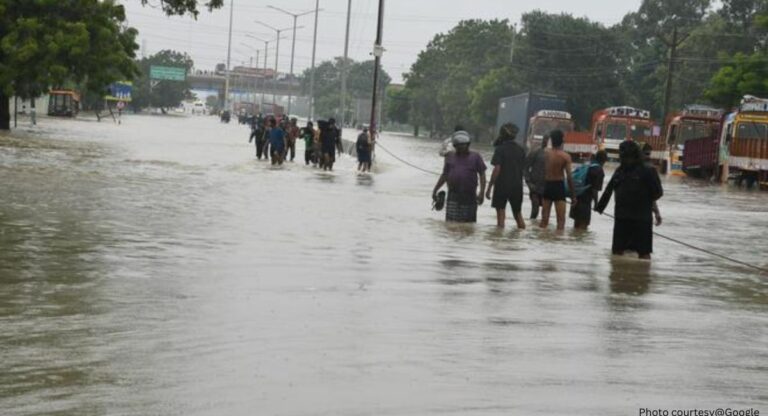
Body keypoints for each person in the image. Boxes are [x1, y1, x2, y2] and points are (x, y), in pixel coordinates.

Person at [596, 141, 663, 259]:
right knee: (628, 254)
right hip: (630, 218)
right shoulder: (626, 171)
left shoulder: (642, 171)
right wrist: (599, 208)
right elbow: (608, 190)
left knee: (637, 254)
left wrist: (600, 207)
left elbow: (658, 193)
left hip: (634, 219)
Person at [432, 131, 487, 223]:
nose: (461, 147)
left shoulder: (475, 157)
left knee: (468, 224)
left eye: (463, 145)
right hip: (453, 194)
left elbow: (482, 174)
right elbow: (444, 175)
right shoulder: (450, 156)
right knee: (450, 224)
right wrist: (435, 190)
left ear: (468, 145)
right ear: (455, 145)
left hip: (469, 196)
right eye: (458, 145)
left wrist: (482, 193)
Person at [486, 123, 526, 229]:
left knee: (500, 218)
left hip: (502, 185)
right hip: (517, 186)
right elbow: (523, 169)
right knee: (518, 215)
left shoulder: (500, 149)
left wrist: (489, 187)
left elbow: (497, 169)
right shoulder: (521, 149)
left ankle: (499, 240)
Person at [540, 130, 576, 231]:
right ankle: (558, 241)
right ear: (562, 140)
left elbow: (540, 170)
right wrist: (573, 196)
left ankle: (540, 241)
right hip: (559, 187)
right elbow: (569, 177)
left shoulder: (545, 152)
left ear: (551, 140)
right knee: (561, 221)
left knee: (544, 220)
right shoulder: (565, 156)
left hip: (547, 185)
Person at [570, 150, 608, 230]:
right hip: (585, 204)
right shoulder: (599, 170)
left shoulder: (587, 165)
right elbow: (594, 190)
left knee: (576, 228)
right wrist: (596, 204)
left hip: (576, 199)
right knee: (582, 229)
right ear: (604, 160)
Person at [524, 134, 549, 219]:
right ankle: (532, 228)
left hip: (548, 186)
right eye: (545, 140)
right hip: (535, 185)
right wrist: (528, 182)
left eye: (548, 140)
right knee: (535, 210)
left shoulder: (554, 154)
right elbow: (525, 167)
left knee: (545, 213)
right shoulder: (535, 152)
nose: (546, 142)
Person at [641, 143, 663, 226]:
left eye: (648, 154)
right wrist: (656, 212)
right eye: (647, 154)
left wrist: (656, 212)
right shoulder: (651, 169)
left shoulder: (627, 169)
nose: (648, 156)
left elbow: (651, 195)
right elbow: (655, 194)